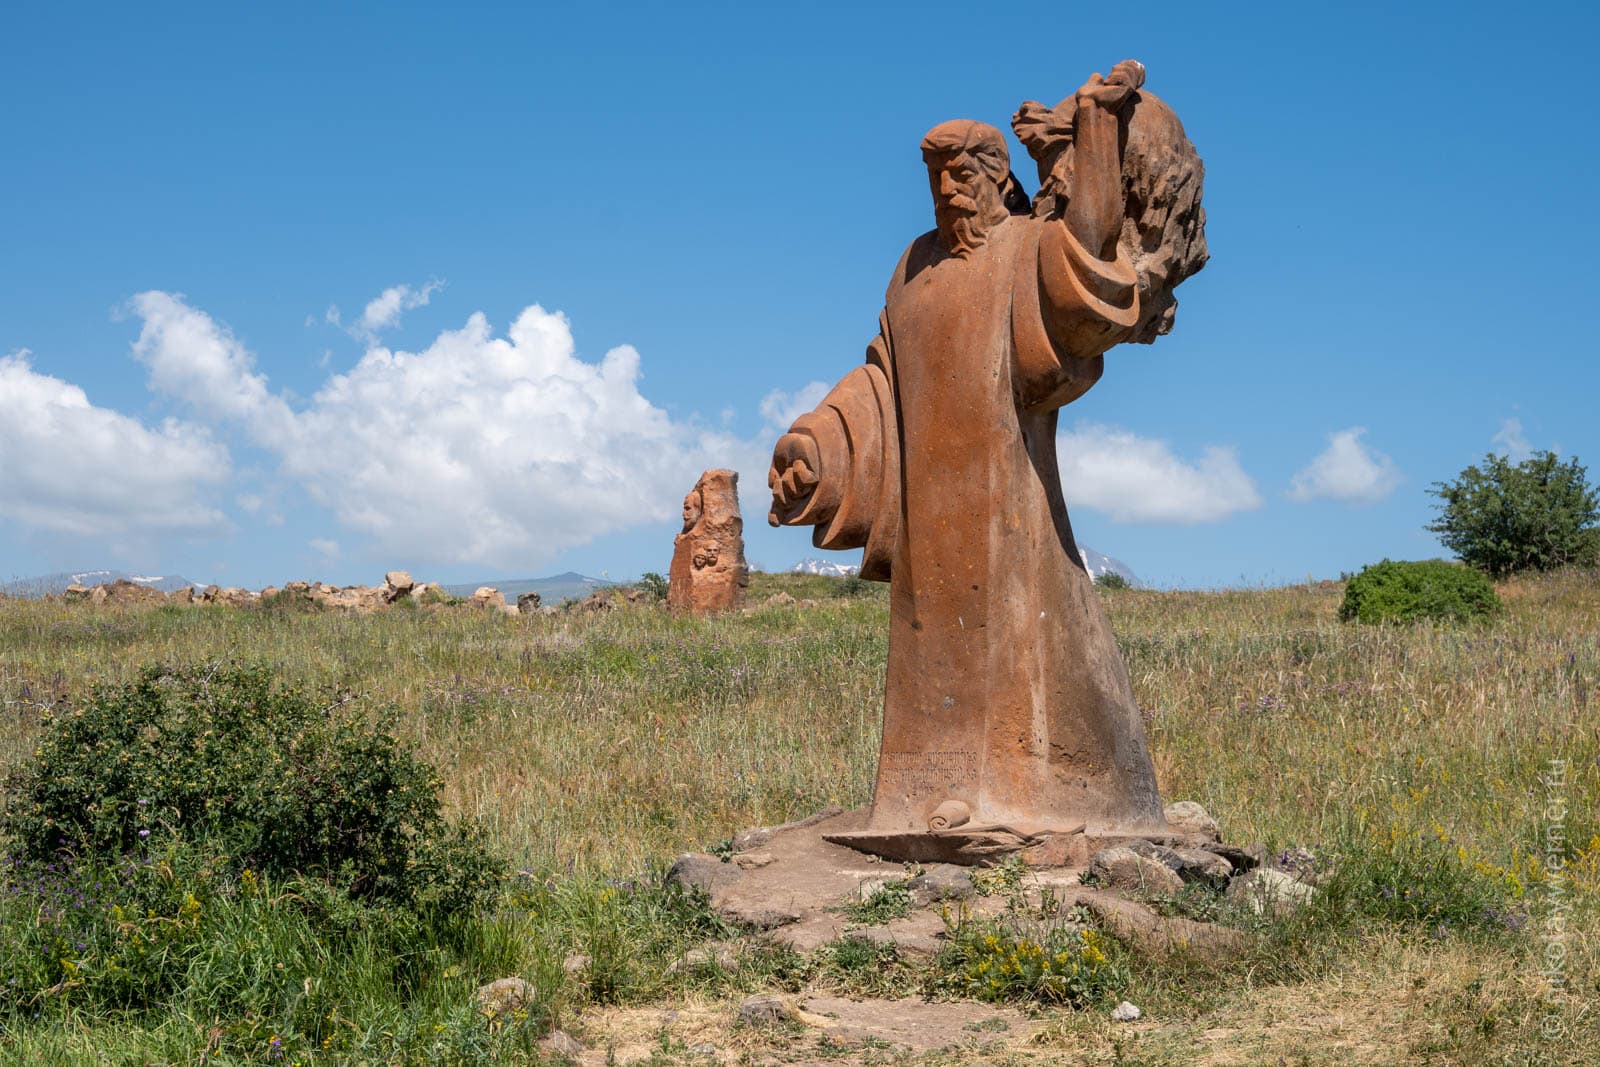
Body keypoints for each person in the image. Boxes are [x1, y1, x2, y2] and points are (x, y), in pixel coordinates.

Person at [767, 62, 1205, 847]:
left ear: (996, 173)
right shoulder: (913, 268)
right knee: (938, 641)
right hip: (931, 509)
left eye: (964, 174)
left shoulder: (1028, 247)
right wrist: (820, 438)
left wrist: (1097, 129)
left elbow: (1088, 258)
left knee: (1034, 641)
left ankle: (1034, 791)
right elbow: (882, 373)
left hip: (1007, 498)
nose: (949, 191)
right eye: (936, 176)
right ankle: (918, 796)